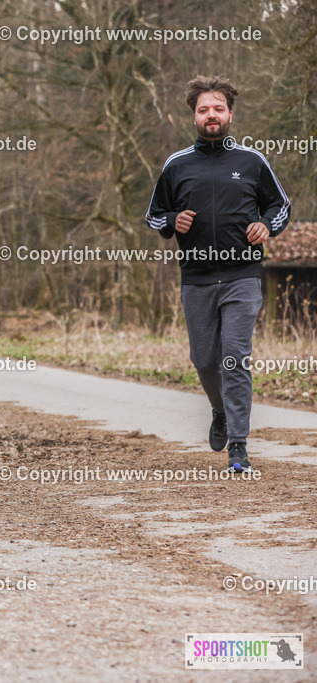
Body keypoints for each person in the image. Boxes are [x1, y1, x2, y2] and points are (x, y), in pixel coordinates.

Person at [146, 75, 291, 473]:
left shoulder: (251, 161)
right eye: (203, 109)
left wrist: (267, 226)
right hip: (197, 279)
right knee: (205, 360)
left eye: (218, 108)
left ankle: (239, 447)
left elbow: (281, 206)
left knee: (234, 358)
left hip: (243, 274)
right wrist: (174, 220)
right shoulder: (177, 165)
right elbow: (154, 215)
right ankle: (219, 411)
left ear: (230, 114)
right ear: (194, 116)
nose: (212, 115)